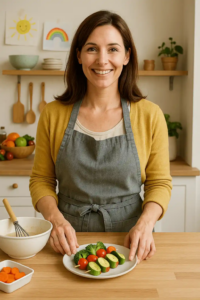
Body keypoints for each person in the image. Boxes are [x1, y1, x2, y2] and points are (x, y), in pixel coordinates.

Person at [29, 10, 172, 264]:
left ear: (127, 56)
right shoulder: (52, 114)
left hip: (130, 242)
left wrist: (145, 225)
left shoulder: (150, 115)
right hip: (67, 243)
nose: (102, 60)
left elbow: (159, 183)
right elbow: (41, 180)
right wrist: (55, 219)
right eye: (92, 49)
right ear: (79, 56)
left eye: (113, 49)